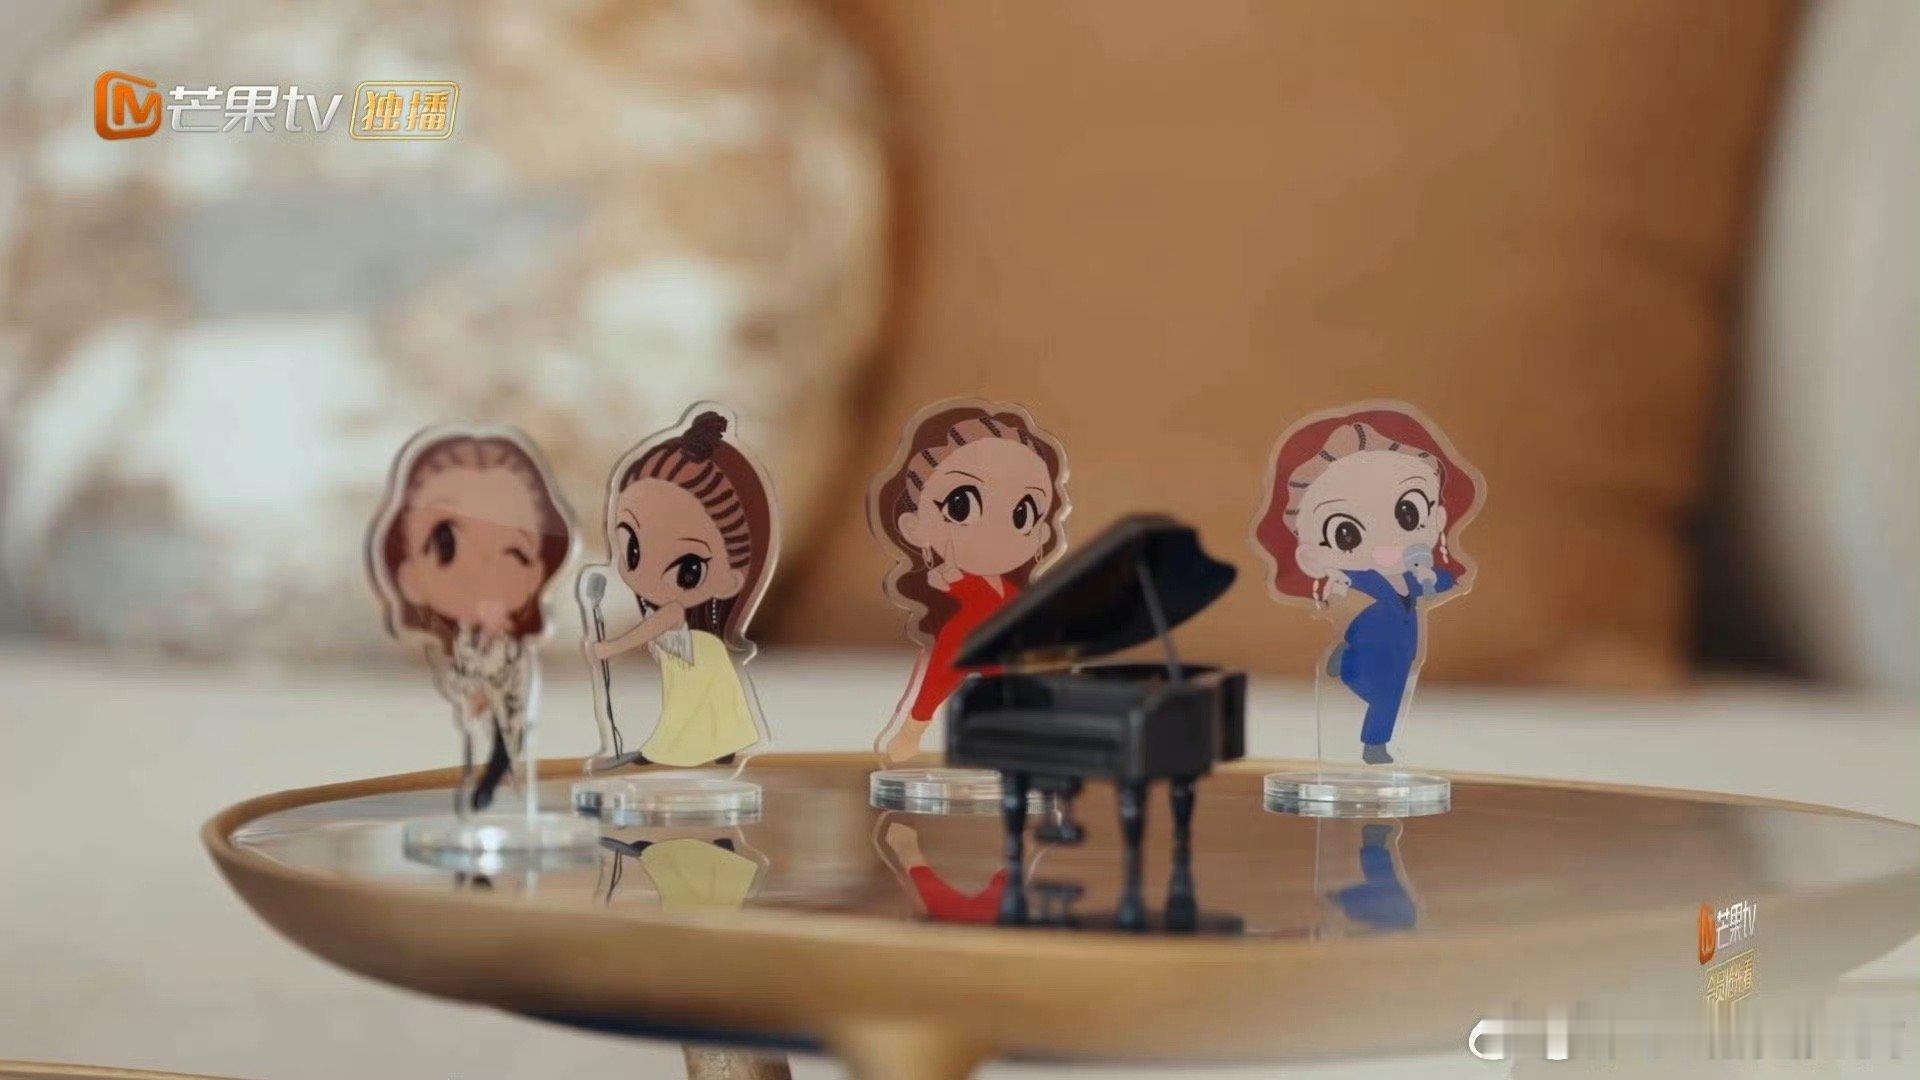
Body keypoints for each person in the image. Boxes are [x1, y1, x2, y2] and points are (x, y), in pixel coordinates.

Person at [1252, 404, 1483, 764]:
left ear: (1437, 519)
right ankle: (1373, 742)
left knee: (1391, 688)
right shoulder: (1356, 577)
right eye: (1345, 533)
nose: (1387, 543)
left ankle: (1355, 683)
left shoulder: (1415, 574)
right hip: (1368, 633)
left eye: (1408, 513)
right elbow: (1340, 586)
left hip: (1403, 645)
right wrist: (1334, 583)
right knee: (1385, 693)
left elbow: (1436, 583)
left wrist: (1443, 577)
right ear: (1309, 553)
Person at [367, 427, 574, 814]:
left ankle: (490, 789)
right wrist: (473, 692)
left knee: (504, 749)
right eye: (447, 543)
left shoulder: (513, 654)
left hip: (504, 716)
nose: (483, 566)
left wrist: (489, 689)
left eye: (513, 551)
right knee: (488, 750)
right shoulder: (459, 647)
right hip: (480, 715)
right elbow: (463, 681)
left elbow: (507, 689)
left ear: (536, 575)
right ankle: (485, 792)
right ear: (408, 576)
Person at [869, 401, 1070, 764]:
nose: (995, 530)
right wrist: (947, 579)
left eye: (1023, 513)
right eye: (961, 505)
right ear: (914, 526)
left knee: (1013, 696)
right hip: (965, 643)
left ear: (1041, 531)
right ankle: (911, 733)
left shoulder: (1012, 590)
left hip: (1003, 653)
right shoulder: (952, 584)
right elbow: (938, 677)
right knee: (934, 689)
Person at [587, 408, 778, 769]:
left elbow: (649, 629)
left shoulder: (674, 612)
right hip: (695, 657)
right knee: (700, 704)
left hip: (697, 657)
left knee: (686, 708)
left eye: (688, 569)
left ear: (731, 579)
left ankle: (671, 749)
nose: (647, 576)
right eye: (633, 549)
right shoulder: (678, 619)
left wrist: (609, 647)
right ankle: (719, 743)